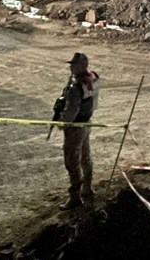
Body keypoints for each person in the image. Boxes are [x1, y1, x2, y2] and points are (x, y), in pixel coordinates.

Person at [57, 53, 100, 209]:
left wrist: (62, 122)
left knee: (72, 161)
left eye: (74, 65)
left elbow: (71, 110)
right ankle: (87, 189)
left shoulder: (76, 86)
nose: (71, 67)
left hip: (75, 127)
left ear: (81, 66)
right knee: (85, 157)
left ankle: (75, 197)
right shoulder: (92, 79)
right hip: (86, 123)